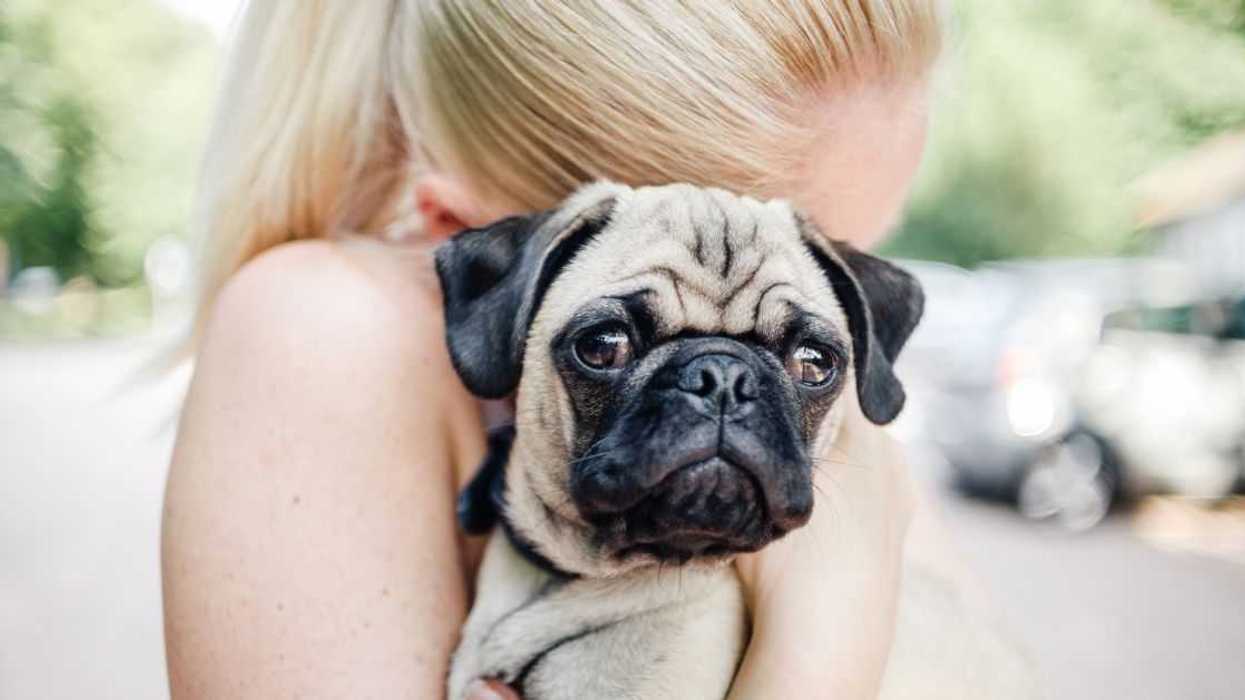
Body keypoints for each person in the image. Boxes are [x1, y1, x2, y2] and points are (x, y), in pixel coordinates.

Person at [161, 2, 944, 698]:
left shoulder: (857, 460)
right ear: (477, 254)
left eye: (809, 354)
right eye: (608, 342)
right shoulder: (322, 328)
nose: (729, 392)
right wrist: (827, 644)